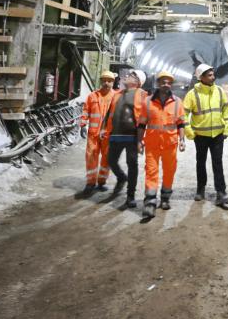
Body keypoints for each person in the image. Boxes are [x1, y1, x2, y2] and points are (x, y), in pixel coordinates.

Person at [183, 63, 228, 207]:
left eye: (213, 74)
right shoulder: (192, 94)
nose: (213, 77)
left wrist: (226, 128)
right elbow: (184, 114)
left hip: (217, 134)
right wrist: (189, 131)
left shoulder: (219, 91)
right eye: (209, 75)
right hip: (200, 135)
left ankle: (221, 192)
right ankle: (200, 189)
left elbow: (226, 109)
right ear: (201, 77)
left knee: (218, 163)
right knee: (201, 162)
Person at [137, 71, 186, 219]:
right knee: (151, 171)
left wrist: (182, 140)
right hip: (152, 144)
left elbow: (181, 123)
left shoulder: (177, 102)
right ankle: (150, 203)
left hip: (170, 144)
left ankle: (165, 198)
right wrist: (139, 141)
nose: (166, 84)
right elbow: (141, 124)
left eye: (169, 82)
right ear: (158, 83)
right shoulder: (148, 102)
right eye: (163, 82)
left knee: (169, 171)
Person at [101, 69, 147, 208]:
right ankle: (122, 178)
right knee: (111, 160)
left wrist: (141, 139)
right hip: (115, 134)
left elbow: (146, 116)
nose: (127, 76)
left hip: (132, 135)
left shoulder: (142, 94)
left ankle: (130, 196)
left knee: (132, 164)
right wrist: (104, 128)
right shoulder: (117, 95)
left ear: (138, 81)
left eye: (132, 75)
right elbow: (109, 113)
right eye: (128, 74)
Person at [78, 70, 118, 197]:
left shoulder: (116, 97)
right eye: (104, 80)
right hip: (93, 134)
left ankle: (102, 181)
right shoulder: (92, 96)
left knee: (107, 158)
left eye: (109, 81)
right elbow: (85, 111)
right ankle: (90, 183)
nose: (106, 83)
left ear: (113, 82)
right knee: (91, 158)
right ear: (101, 81)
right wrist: (83, 125)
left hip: (109, 134)